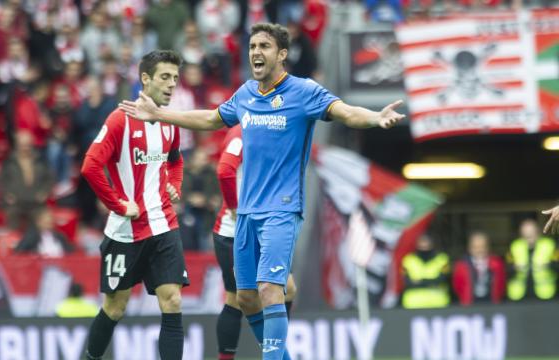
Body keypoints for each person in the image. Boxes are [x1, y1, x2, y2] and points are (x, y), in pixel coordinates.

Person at [118, 22, 403, 360]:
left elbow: (346, 112)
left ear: (282, 54)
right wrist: (160, 114)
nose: (256, 52)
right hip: (247, 212)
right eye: (253, 46)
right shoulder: (245, 94)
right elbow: (210, 119)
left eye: (264, 47)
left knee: (271, 289)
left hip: (282, 209)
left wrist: (375, 117)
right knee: (246, 296)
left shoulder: (304, 91)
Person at [81, 50, 188, 360]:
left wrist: (174, 184)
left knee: (173, 302)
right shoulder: (120, 119)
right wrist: (117, 204)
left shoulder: (170, 121)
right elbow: (90, 166)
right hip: (126, 233)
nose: (171, 85)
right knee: (115, 308)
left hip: (164, 225)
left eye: (175, 79)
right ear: (145, 79)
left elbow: (176, 160)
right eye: (165, 77)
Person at [214, 125, 297, 360]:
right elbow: (225, 170)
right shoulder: (242, 131)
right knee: (238, 298)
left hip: (265, 228)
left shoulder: (274, 128)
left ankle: (278, 352)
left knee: (287, 289)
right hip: (234, 232)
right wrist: (232, 206)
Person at [506, 219, 558, 301]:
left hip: (545, 294)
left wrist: (549, 265)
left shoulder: (549, 244)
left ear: (537, 232)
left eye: (531, 233)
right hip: (519, 295)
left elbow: (557, 264)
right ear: (521, 233)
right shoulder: (514, 246)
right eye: (526, 233)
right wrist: (514, 268)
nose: (529, 236)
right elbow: (506, 268)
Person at [452, 231, 506, 306]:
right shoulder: (462, 265)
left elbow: (501, 285)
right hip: (470, 305)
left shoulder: (497, 264)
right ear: (470, 248)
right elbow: (457, 286)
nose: (479, 250)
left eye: (482, 247)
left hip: (492, 304)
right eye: (476, 247)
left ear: (488, 247)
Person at [401, 234, 450, 309]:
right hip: (413, 303)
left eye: (426, 243)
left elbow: (443, 279)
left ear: (432, 244)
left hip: (438, 302)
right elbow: (406, 282)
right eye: (422, 243)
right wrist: (431, 282)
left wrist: (419, 282)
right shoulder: (408, 260)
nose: (424, 246)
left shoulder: (442, 259)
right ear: (417, 245)